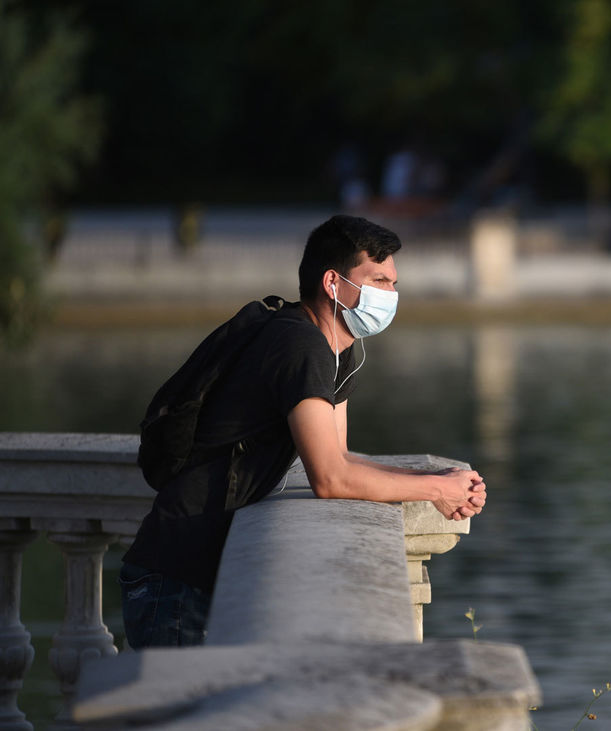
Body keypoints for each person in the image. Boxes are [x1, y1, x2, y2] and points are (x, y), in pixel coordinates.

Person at [120, 214, 486, 649]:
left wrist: (438, 482)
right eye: (378, 281)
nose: (391, 294)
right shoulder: (300, 345)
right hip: (175, 580)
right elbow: (330, 479)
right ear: (333, 283)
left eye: (394, 283)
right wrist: (435, 491)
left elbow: (341, 455)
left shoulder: (338, 351)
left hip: (193, 574)